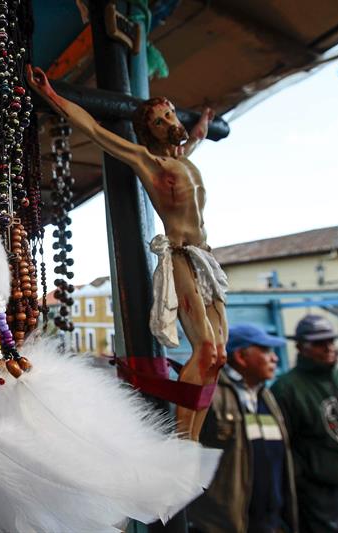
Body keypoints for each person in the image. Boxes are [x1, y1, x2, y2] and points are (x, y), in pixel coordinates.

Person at [26, 66, 227, 440]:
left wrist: (202, 122)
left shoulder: (185, 159)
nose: (169, 121)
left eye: (169, 114)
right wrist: (52, 96)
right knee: (204, 351)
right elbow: (96, 131)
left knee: (219, 355)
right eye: (160, 119)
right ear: (148, 131)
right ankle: (185, 441)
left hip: (207, 258)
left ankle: (192, 438)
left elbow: (195, 135)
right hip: (182, 256)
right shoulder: (149, 163)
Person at [271, 315, 338, 533]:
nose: (328, 347)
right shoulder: (287, 389)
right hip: (321, 491)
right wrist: (306, 482)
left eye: (330, 341)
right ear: (301, 347)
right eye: (319, 343)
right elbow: (282, 447)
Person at [190, 324, 298, 533]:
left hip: (270, 522)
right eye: (266, 351)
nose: (274, 358)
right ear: (241, 356)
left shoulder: (266, 397)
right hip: (228, 524)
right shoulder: (212, 395)